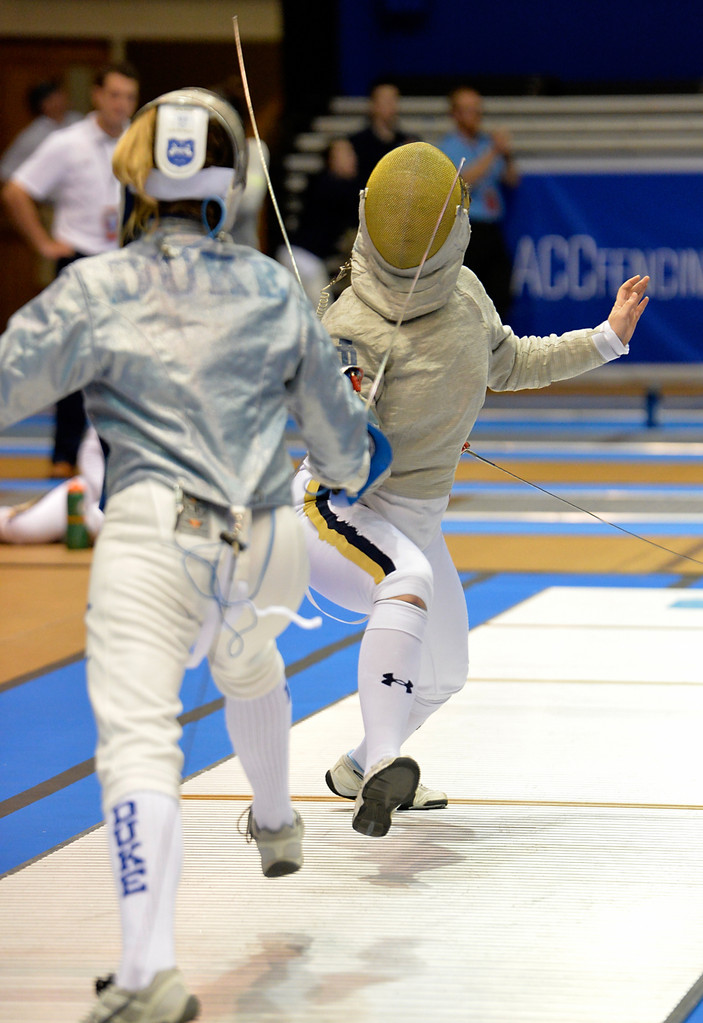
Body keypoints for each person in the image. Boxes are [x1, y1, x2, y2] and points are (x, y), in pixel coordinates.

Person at [0, 87, 379, 1023]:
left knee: (140, 742)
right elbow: (344, 455)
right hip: (269, 543)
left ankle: (145, 973)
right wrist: (359, 417)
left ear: (135, 178)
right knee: (249, 660)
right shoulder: (275, 285)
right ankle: (279, 819)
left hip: (153, 539)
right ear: (231, 185)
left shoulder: (94, 287)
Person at [291, 142, 649, 840]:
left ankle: (356, 766)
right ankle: (388, 764)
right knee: (407, 577)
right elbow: (334, 450)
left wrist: (605, 338)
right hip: (339, 513)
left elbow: (509, 361)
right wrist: (347, 416)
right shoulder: (346, 326)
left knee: (446, 671)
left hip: (415, 519)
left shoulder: (464, 295)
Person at [2, 62, 140, 477]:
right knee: (74, 360)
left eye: (129, 97)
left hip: (126, 262)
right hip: (79, 260)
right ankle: (64, 457)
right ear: (97, 95)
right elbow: (16, 191)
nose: (121, 105)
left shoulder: (142, 140)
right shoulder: (68, 142)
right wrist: (44, 244)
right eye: (114, 95)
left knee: (126, 364)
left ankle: (118, 458)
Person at [437, 86, 519, 320]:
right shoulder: (448, 147)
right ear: (455, 114)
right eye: (469, 110)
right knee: (468, 293)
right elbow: (462, 183)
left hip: (493, 227)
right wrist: (494, 151)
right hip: (467, 228)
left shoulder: (485, 143)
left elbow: (512, 179)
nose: (476, 116)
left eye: (478, 110)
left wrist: (506, 153)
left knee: (501, 290)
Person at [277, 137, 360, 307]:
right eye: (346, 154)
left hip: (294, 255)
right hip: (305, 260)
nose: (353, 159)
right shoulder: (331, 186)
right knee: (323, 318)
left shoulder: (326, 183)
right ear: (332, 159)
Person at [0, 425, 104, 543]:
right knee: (24, 528)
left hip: (125, 499)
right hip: (96, 488)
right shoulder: (111, 411)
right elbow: (91, 451)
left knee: (100, 525)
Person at [0, 79, 81, 183]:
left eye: (59, 95)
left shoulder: (77, 120)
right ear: (41, 104)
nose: (58, 101)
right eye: (51, 99)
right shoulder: (32, 135)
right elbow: (5, 171)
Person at [348, 80, 417, 188]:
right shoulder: (355, 145)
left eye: (394, 99)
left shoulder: (408, 143)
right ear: (373, 104)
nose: (391, 105)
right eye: (385, 100)